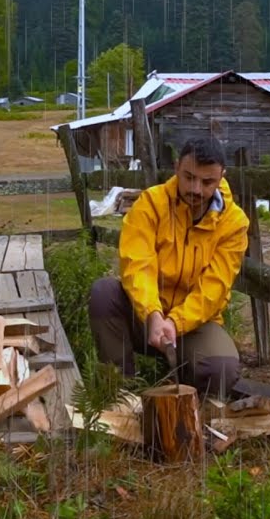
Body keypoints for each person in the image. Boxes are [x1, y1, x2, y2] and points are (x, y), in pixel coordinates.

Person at [88, 136, 249, 396]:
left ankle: (191, 402)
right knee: (104, 294)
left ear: (221, 178)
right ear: (176, 167)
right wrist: (153, 314)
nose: (196, 189)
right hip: (144, 316)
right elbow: (137, 264)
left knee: (223, 369)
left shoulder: (234, 223)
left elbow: (214, 289)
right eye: (189, 177)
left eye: (207, 182)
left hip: (194, 323)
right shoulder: (150, 204)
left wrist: (175, 322)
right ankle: (121, 391)